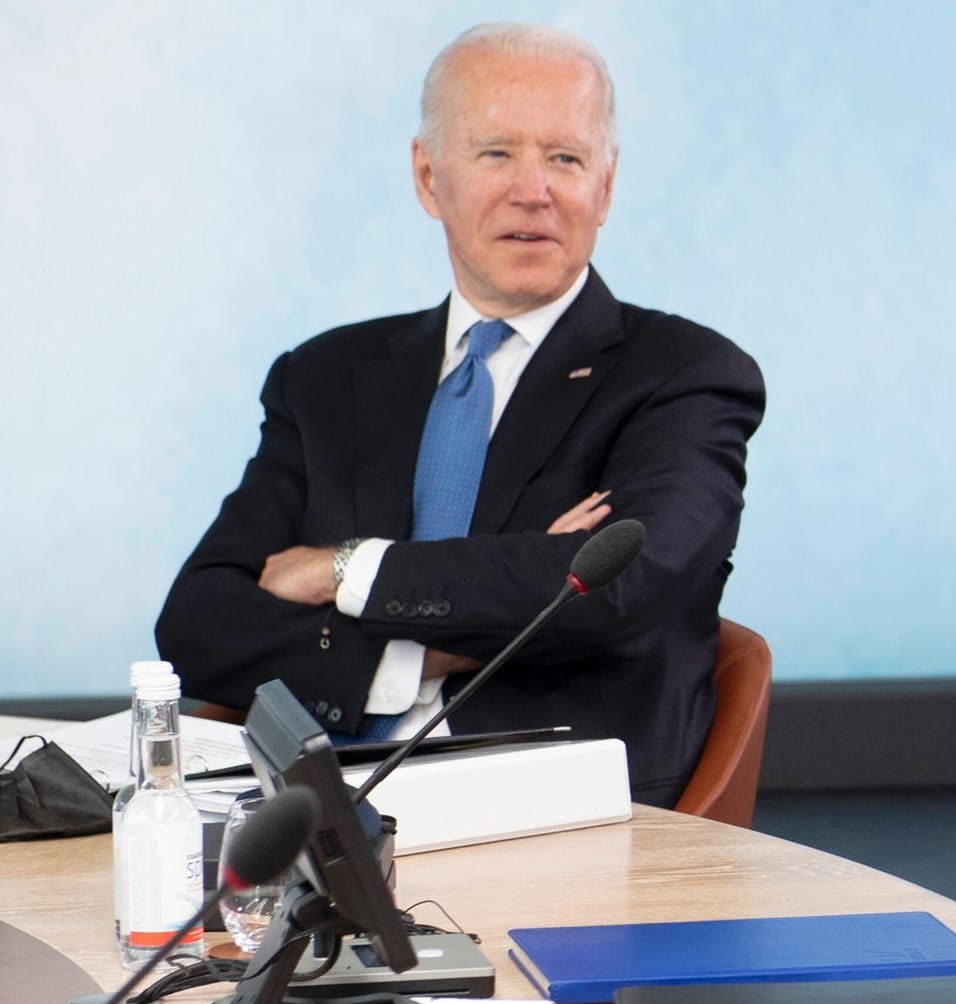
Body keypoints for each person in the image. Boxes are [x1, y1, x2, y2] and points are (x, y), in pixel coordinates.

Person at [155, 24, 764, 807]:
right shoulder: (326, 377)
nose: (533, 190)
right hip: (317, 813)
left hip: (557, 821)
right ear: (428, 176)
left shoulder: (687, 376)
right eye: (497, 152)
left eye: (566, 158)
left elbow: (614, 592)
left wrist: (343, 568)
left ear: (605, 187)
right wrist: (450, 635)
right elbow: (199, 622)